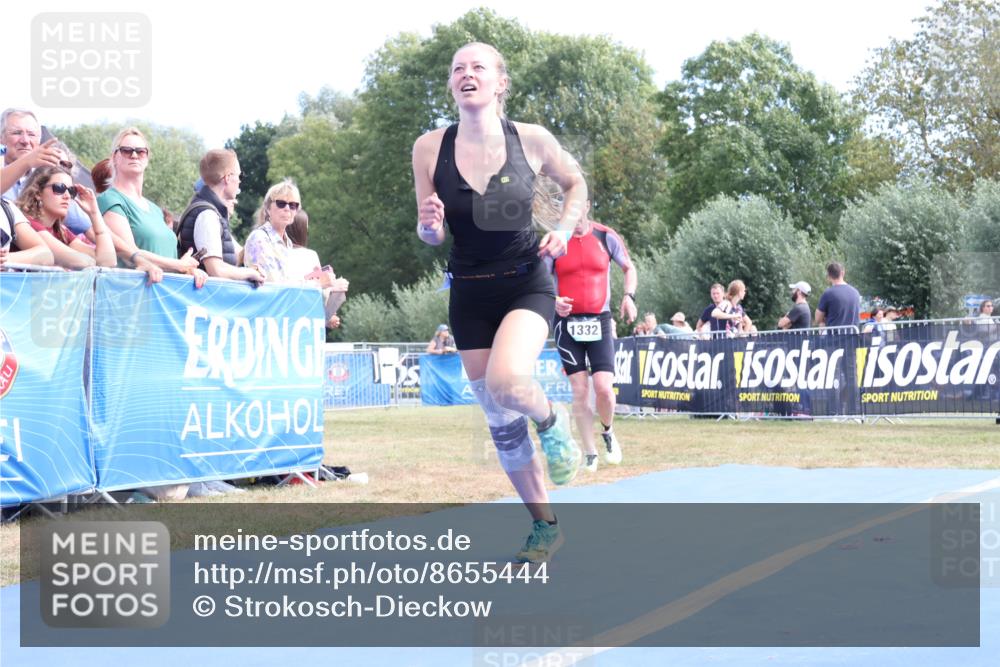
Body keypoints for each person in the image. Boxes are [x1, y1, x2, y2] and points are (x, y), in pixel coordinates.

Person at [412, 41, 587, 563]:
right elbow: (430, 235)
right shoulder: (428, 148)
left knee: (508, 383)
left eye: (478, 67)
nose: (467, 74)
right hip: (468, 291)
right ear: (451, 84)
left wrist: (562, 226)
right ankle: (545, 526)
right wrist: (428, 225)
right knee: (498, 418)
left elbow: (575, 183)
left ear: (499, 82)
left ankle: (553, 421)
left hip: (525, 281)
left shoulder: (531, 139)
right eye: (458, 69)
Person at [550, 199, 637, 472]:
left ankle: (608, 432)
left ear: (586, 205)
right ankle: (590, 453)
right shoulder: (554, 242)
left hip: (599, 321)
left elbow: (629, 268)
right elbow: (537, 281)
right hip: (566, 324)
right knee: (579, 391)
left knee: (604, 390)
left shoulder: (605, 236)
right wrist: (553, 299)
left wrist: (628, 297)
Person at [97, 127, 204, 285]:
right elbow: (130, 254)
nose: (134, 155)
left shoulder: (155, 209)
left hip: (166, 296)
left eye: (141, 151)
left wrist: (189, 270)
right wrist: (180, 265)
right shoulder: (109, 199)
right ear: (114, 157)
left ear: (147, 158)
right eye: (126, 150)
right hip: (133, 296)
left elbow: (168, 260)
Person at [177, 148, 263, 284]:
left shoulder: (210, 212)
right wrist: (250, 272)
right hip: (205, 301)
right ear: (227, 178)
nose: (240, 182)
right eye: (239, 176)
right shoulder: (207, 215)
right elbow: (216, 270)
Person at [1, 108, 92, 236]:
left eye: (31, 134)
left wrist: (130, 253)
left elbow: (87, 226)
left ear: (39, 141)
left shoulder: (47, 177)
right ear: (1, 138)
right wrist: (26, 161)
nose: (25, 140)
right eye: (16, 133)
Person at [14, 166, 116, 269]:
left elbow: (108, 261)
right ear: (38, 193)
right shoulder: (27, 223)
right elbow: (81, 262)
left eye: (71, 191)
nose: (67, 196)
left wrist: (94, 212)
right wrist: (91, 262)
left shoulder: (61, 231)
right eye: (59, 188)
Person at [1, 198, 53, 267]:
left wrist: (6, 259)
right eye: (59, 188)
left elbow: (46, 255)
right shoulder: (34, 222)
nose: (67, 196)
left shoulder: (6, 207)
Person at [815, 262, 861, 328]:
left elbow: (818, 319)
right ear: (843, 273)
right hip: (853, 335)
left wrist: (825, 318)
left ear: (828, 276)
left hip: (835, 337)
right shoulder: (855, 292)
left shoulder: (828, 293)